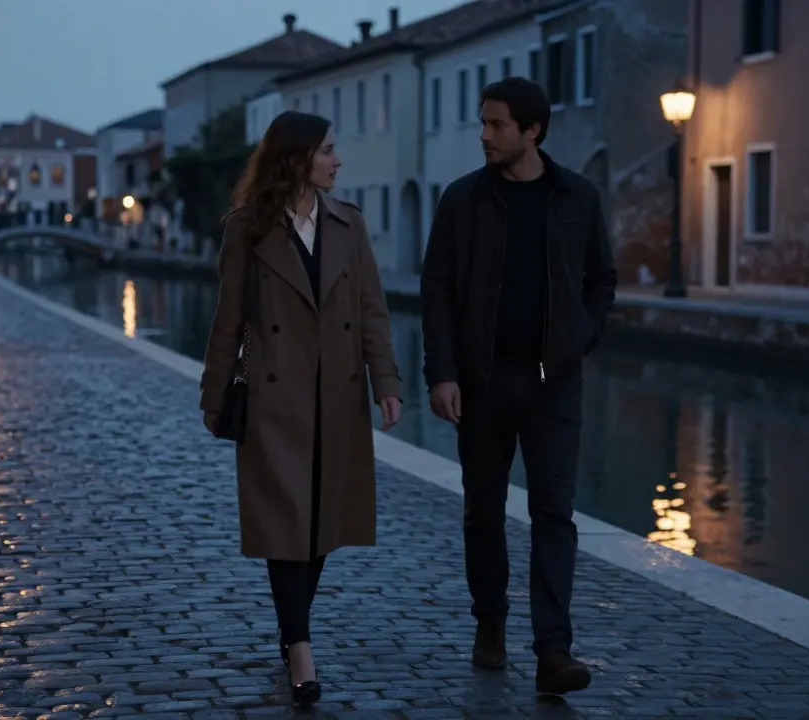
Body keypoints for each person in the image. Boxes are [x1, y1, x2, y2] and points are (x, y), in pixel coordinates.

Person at [419, 77, 618, 695]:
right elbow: (438, 290)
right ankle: (490, 624)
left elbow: (601, 277)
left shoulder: (576, 197)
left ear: (532, 130)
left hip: (554, 383)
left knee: (554, 513)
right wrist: (443, 373)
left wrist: (580, 336)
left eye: (497, 125)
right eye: (483, 123)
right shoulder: (462, 200)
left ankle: (554, 651)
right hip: (481, 383)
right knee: (484, 512)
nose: (484, 135)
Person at [199, 110, 403, 707]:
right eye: (328, 150)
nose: (338, 161)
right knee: (285, 521)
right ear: (296, 157)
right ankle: (301, 648)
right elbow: (227, 322)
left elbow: (371, 312)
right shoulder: (246, 229)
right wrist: (214, 399)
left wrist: (385, 381)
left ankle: (291, 632)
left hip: (337, 395)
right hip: (274, 397)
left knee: (320, 525)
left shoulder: (349, 225)